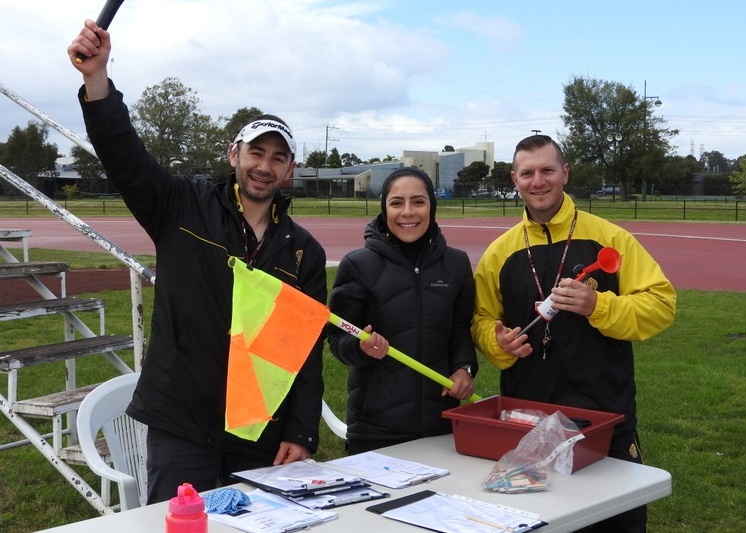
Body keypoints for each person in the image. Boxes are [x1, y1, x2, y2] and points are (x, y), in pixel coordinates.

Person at [68, 20, 327, 503]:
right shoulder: (181, 206)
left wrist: (302, 431)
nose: (264, 166)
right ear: (234, 154)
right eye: (256, 152)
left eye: (277, 158)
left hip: (258, 430)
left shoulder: (303, 252)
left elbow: (304, 353)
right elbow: (124, 156)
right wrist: (97, 81)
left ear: (289, 170)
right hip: (180, 422)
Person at [471, 135, 676, 533]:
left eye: (547, 170)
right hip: (529, 420)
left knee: (617, 524)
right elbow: (481, 318)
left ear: (565, 173)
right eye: (528, 173)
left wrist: (598, 306)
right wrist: (497, 343)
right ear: (515, 180)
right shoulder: (499, 253)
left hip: (604, 416)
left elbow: (661, 304)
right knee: (538, 523)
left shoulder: (611, 239)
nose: (538, 181)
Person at [327, 167, 478, 455]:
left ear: (432, 206)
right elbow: (337, 338)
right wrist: (360, 348)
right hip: (375, 430)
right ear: (384, 208)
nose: (408, 212)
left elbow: (459, 329)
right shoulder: (358, 265)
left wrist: (464, 368)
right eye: (397, 203)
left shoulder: (456, 264)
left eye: (418, 202)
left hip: (441, 426)